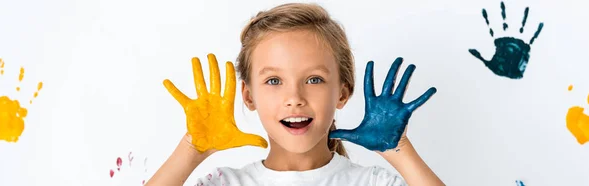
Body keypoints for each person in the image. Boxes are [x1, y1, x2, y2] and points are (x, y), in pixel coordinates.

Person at [146, 2, 444, 186]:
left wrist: (401, 153)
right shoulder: (226, 184)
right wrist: (190, 151)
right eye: (274, 81)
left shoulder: (372, 182)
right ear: (248, 96)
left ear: (342, 93)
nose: (294, 97)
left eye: (314, 79)